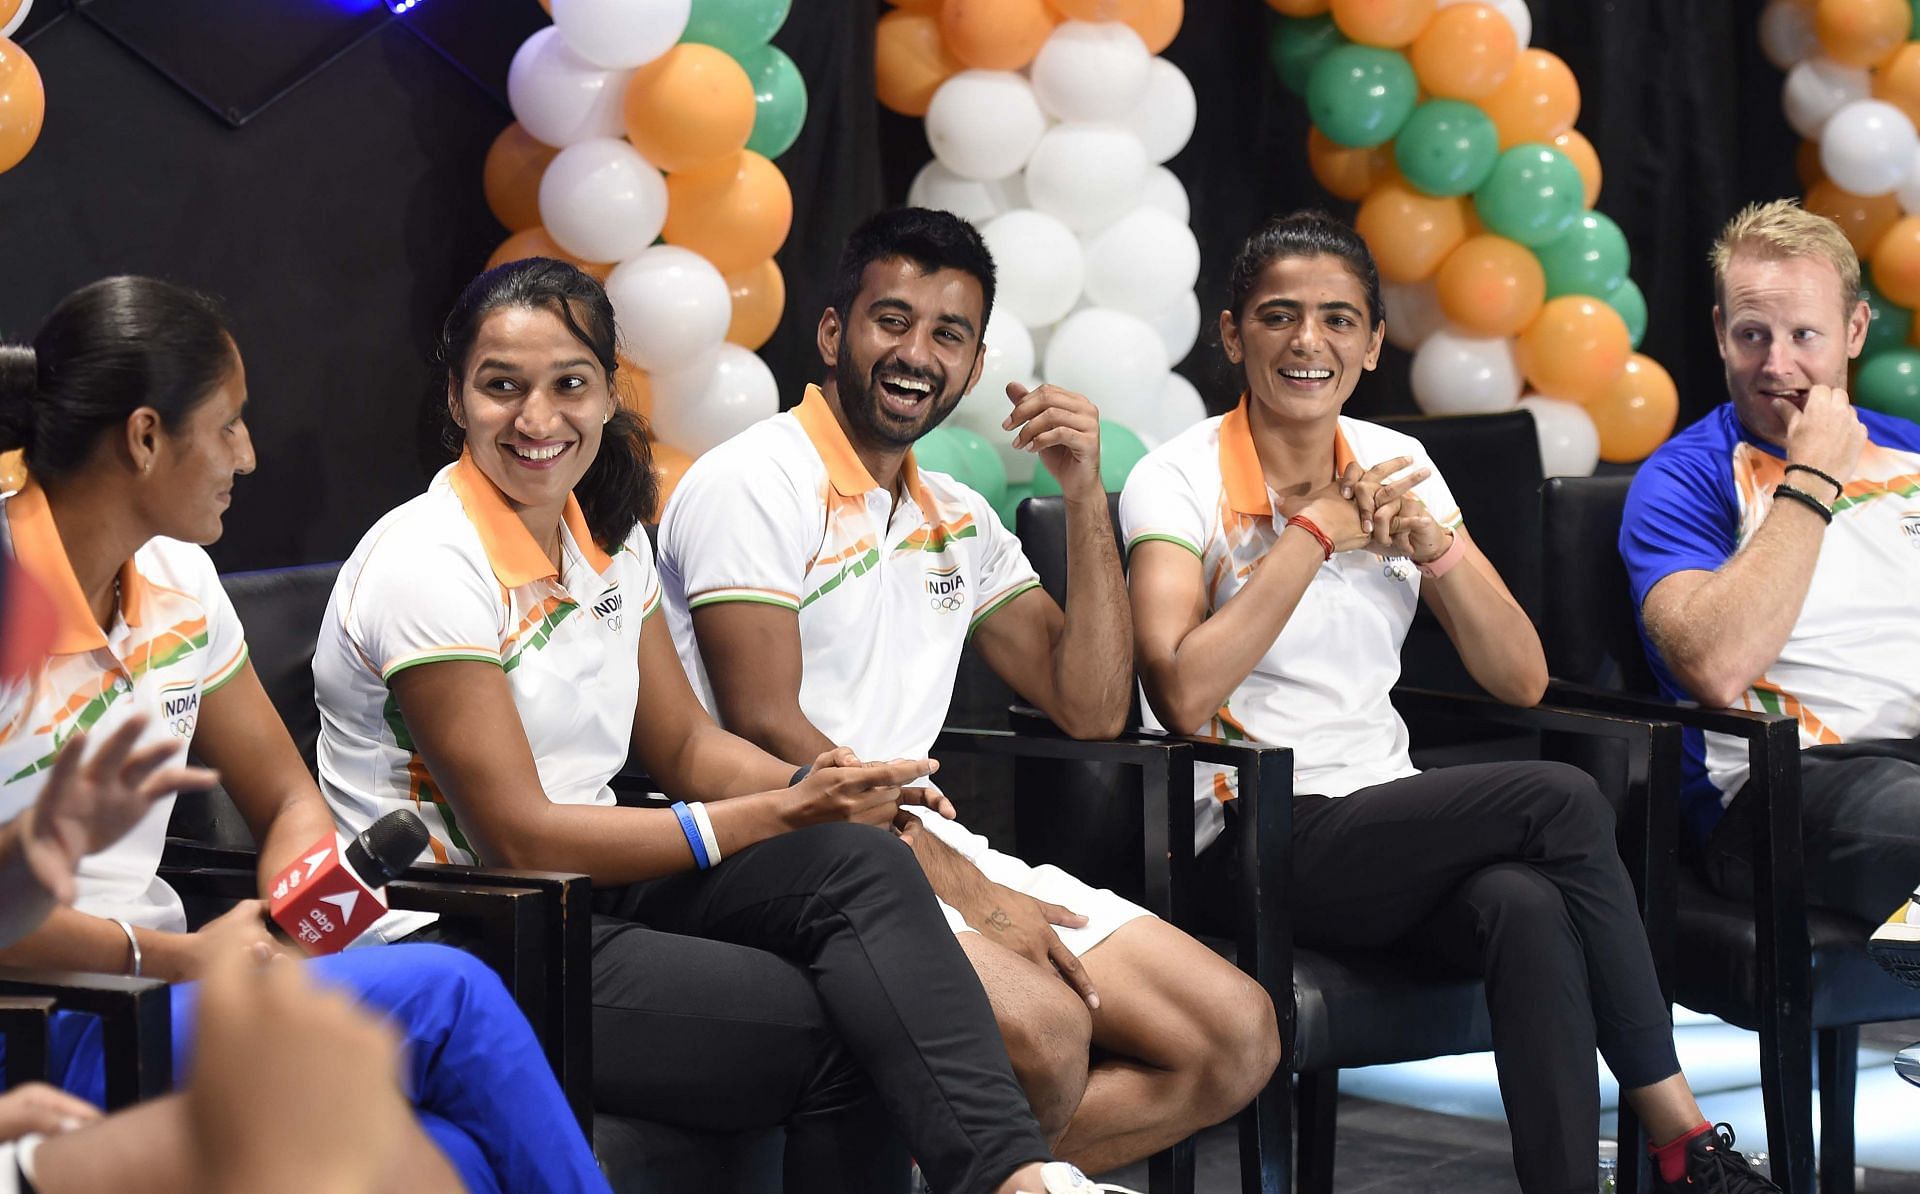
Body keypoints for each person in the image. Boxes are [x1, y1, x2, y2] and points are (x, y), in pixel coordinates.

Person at [312, 255, 1119, 1194]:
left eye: (570, 384)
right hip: (460, 926)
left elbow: (686, 746)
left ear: (611, 393)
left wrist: (833, 794)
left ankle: (1019, 1180)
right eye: (502, 388)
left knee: (863, 859)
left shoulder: (603, 533)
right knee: (854, 1025)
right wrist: (781, 811)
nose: (538, 421)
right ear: (456, 397)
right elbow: (519, 835)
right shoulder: (426, 561)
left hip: (582, 893)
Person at [1118, 210, 1776, 1194]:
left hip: (1380, 824)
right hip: (1243, 835)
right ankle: (1681, 1141)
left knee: (1524, 905)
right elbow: (1180, 692)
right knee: (1559, 802)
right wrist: (1310, 536)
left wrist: (1437, 546)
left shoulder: (1397, 463)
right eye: (1280, 317)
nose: (1310, 342)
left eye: (1340, 320)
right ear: (1231, 335)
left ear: (1374, 344)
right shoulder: (1174, 479)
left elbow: (1519, 679)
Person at [654, 206, 1279, 1177]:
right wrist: (969, 891)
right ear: (833, 334)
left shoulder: (963, 516)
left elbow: (1091, 707)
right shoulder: (753, 481)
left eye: (948, 334)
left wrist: (1081, 497)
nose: (916, 353)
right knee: (1047, 1032)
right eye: (890, 320)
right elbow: (768, 729)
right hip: (794, 851)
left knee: (1234, 1037)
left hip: (922, 841)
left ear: (976, 367)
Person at [0, 275, 606, 1194]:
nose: (247, 456)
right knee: (452, 995)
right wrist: (181, 956)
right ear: (146, 437)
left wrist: (295, 913)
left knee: (458, 1157)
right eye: (229, 425)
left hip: (167, 990)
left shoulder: (179, 576)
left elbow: (285, 796)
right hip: (53, 1023)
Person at [1617, 199, 1920, 987]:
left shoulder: (1912, 454)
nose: (1776, 365)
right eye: (1753, 335)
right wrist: (1813, 474)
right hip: (1776, 791)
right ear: (1721, 332)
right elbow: (1714, 665)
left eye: (1804, 336)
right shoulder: (1683, 479)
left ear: (1854, 332)